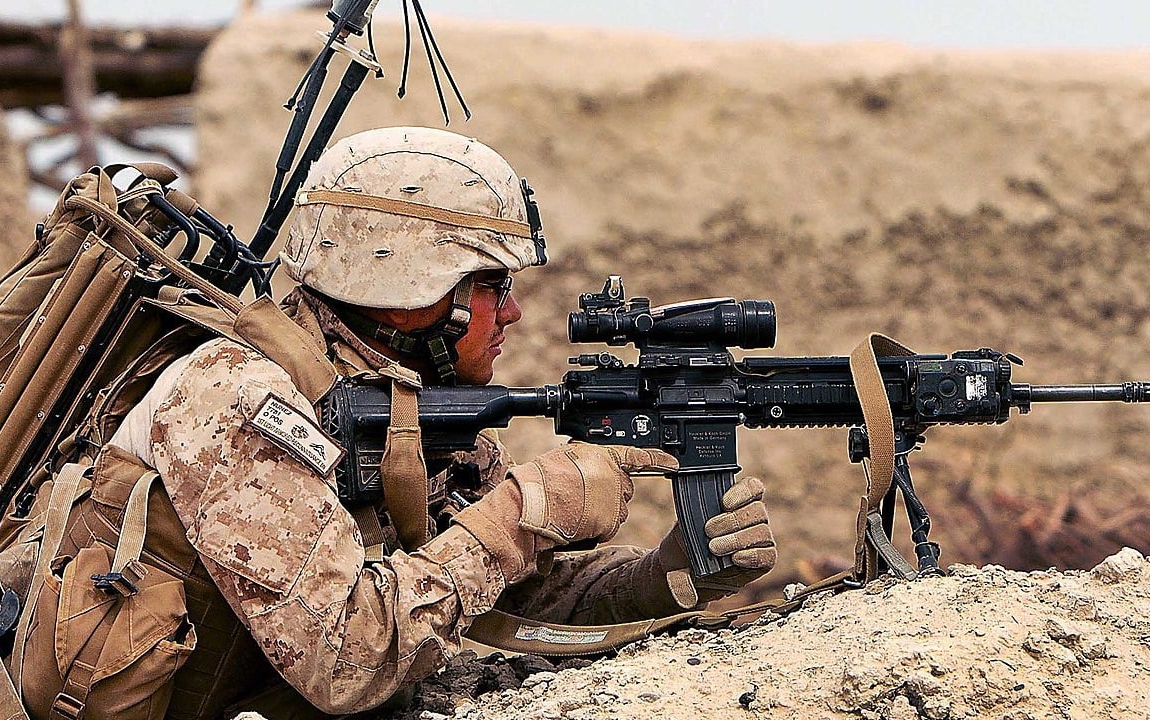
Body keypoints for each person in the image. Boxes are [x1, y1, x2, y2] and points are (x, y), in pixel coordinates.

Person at [42, 126, 778, 718]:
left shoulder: (409, 403)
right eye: (492, 286)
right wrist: (521, 514)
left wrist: (671, 573)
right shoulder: (236, 399)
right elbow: (342, 662)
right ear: (408, 295)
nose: (513, 313)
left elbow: (515, 598)